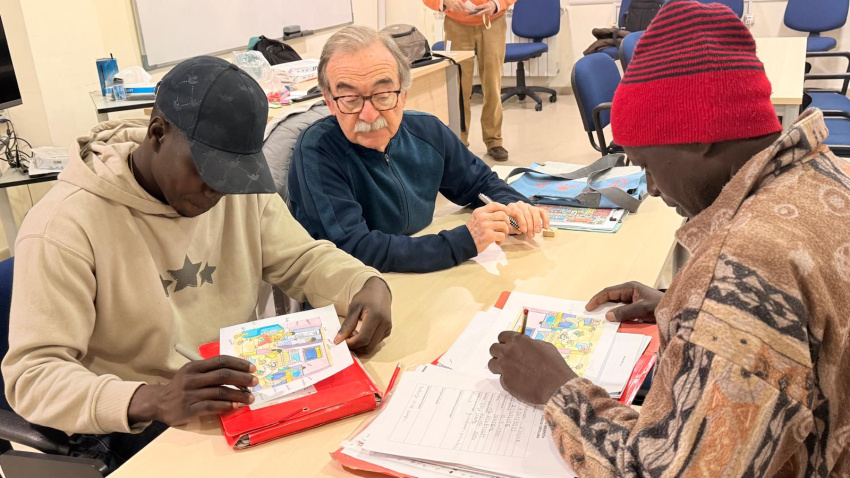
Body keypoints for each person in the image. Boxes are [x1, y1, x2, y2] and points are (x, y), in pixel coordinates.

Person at [487, 1, 850, 476]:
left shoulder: (744, 263)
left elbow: (667, 471)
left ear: (700, 134)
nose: (652, 189)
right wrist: (686, 308)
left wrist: (556, 389)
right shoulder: (824, 172)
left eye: (646, 164)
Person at [1, 56, 392, 471]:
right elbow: (32, 376)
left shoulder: (237, 191)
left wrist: (365, 285)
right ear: (157, 133)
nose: (218, 191)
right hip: (133, 420)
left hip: (233, 397)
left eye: (234, 175)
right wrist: (149, 398)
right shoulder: (63, 225)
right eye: (207, 172)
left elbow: (302, 259)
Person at [288, 26, 548, 274]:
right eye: (350, 99)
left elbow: (481, 183)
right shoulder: (317, 151)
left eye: (383, 94)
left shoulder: (427, 131)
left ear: (403, 94)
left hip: (418, 270)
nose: (368, 115)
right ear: (329, 102)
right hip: (355, 290)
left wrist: (514, 206)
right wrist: (462, 242)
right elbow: (354, 248)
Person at [423, 0, 513, 161]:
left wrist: (496, 3)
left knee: (493, 85)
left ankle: (494, 141)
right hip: (456, 25)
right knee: (458, 87)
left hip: (492, 22)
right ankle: (459, 140)